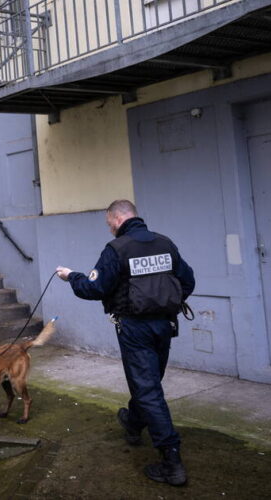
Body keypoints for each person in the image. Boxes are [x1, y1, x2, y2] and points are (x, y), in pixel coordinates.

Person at [56, 199, 195, 486]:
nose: (109, 229)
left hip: (134, 328)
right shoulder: (164, 243)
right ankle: (133, 423)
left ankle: (172, 462)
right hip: (165, 325)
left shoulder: (117, 249)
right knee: (149, 383)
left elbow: (93, 288)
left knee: (148, 389)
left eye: (109, 224)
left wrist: (71, 277)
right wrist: (165, 302)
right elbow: (188, 281)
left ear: (117, 219)